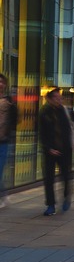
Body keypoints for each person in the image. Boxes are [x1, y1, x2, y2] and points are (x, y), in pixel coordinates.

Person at [38, 88, 74, 216]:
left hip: (65, 149)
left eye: (60, 98)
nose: (59, 100)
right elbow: (42, 133)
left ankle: (67, 196)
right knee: (49, 179)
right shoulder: (44, 113)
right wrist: (48, 148)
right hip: (50, 151)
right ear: (50, 99)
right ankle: (50, 204)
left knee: (66, 176)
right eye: (56, 98)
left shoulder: (67, 112)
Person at [0, 74, 15, 208]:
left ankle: (4, 196)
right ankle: (4, 195)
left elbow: (14, 120)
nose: (0, 84)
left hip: (3, 141)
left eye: (2, 82)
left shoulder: (8, 101)